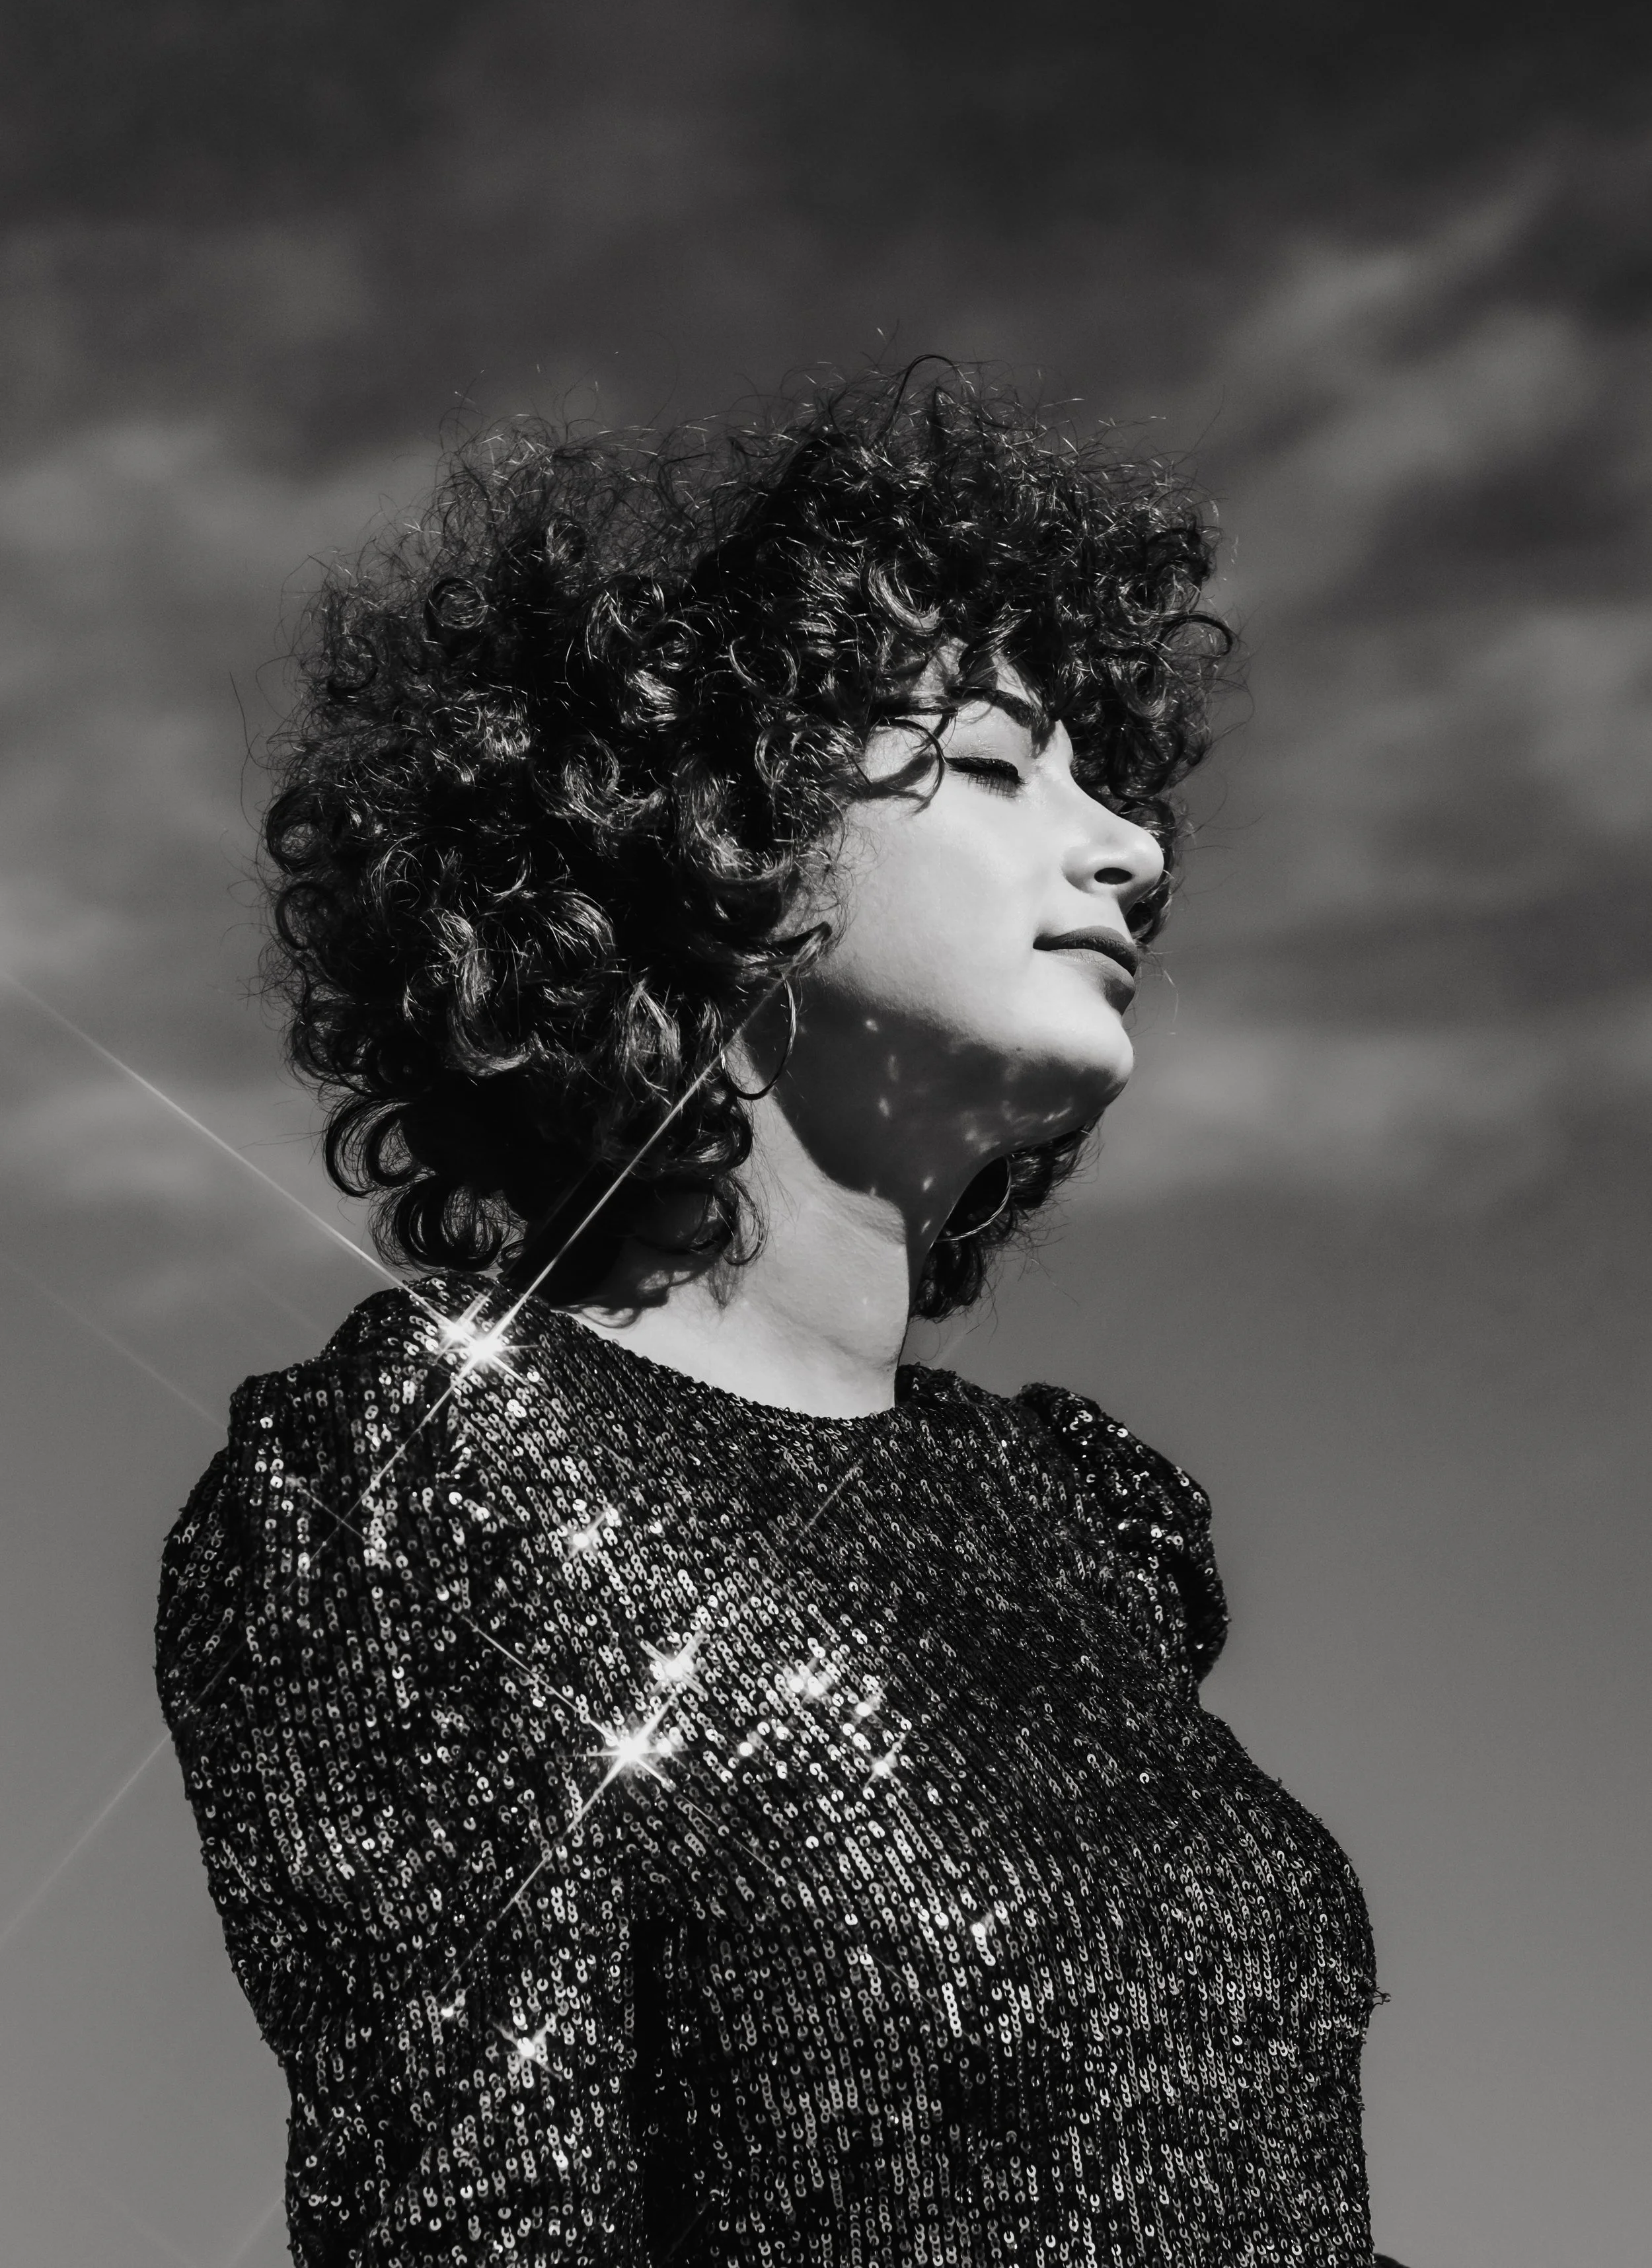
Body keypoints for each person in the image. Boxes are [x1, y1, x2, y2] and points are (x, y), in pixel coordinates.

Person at [157, 368, 1398, 2265]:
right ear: (703, 858)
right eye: (990, 765)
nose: (1128, 846)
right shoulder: (432, 1493)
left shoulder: (1087, 1528)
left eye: (1103, 778)